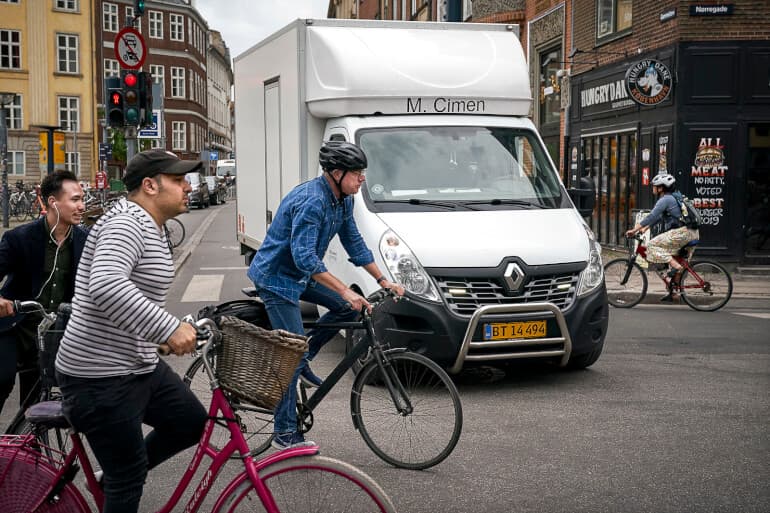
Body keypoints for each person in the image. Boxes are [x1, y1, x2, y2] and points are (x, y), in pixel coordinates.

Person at [55, 150, 208, 513]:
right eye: (179, 180)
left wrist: (159, 335)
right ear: (150, 185)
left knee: (189, 422)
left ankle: (117, 474)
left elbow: (133, 293)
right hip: (99, 376)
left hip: (135, 365)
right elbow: (106, 285)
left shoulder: (150, 225)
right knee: (128, 478)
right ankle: (121, 476)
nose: (188, 186)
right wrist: (168, 328)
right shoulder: (127, 223)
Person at [247, 140, 404, 449]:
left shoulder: (343, 200)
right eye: (357, 173)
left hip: (300, 275)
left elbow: (354, 243)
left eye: (363, 173)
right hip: (277, 278)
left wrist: (383, 280)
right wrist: (344, 289)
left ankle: (304, 357)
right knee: (290, 355)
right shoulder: (312, 202)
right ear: (336, 173)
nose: (362, 179)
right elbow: (304, 256)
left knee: (350, 310)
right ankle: (284, 434)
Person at [0, 170, 87, 418]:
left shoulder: (85, 240)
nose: (81, 206)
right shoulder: (20, 238)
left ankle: (28, 452)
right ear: (53, 202)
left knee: (37, 402)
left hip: (52, 333)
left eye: (82, 199)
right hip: (15, 326)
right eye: (75, 200)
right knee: (2, 379)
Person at [625, 173, 699, 302]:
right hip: (692, 233)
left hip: (683, 233)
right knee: (673, 261)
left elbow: (652, 215)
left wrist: (634, 229)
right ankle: (674, 293)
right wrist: (646, 228)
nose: (653, 188)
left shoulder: (665, 199)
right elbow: (660, 216)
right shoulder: (674, 197)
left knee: (651, 246)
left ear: (661, 188)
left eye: (655, 186)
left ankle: (677, 267)